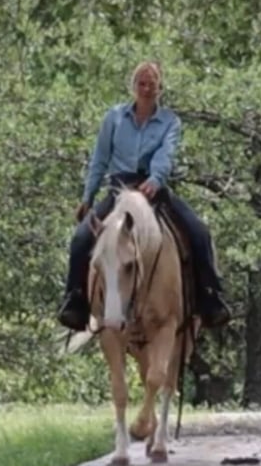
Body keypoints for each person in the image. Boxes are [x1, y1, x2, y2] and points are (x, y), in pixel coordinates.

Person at [57, 60, 230, 331]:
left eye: (152, 84)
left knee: (199, 232)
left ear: (160, 88)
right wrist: (87, 197)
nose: (147, 89)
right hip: (118, 189)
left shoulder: (170, 121)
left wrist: (155, 179)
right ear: (133, 86)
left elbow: (167, 153)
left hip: (153, 191)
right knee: (81, 238)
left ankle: (210, 298)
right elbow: (100, 159)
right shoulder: (113, 117)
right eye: (142, 83)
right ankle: (75, 300)